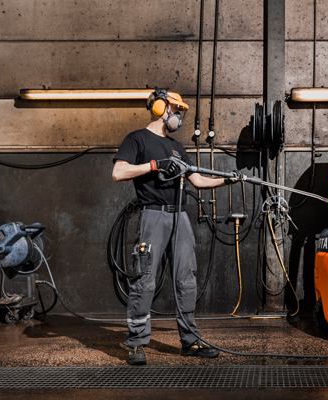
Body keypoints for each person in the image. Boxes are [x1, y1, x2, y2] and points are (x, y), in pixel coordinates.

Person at [112, 87, 240, 365]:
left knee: (186, 279)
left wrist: (227, 180)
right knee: (145, 279)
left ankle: (190, 341)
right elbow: (118, 172)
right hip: (153, 215)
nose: (179, 117)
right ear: (161, 108)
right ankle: (136, 344)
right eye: (177, 110)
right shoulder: (136, 139)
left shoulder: (177, 147)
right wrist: (153, 165)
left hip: (179, 216)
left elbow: (198, 180)